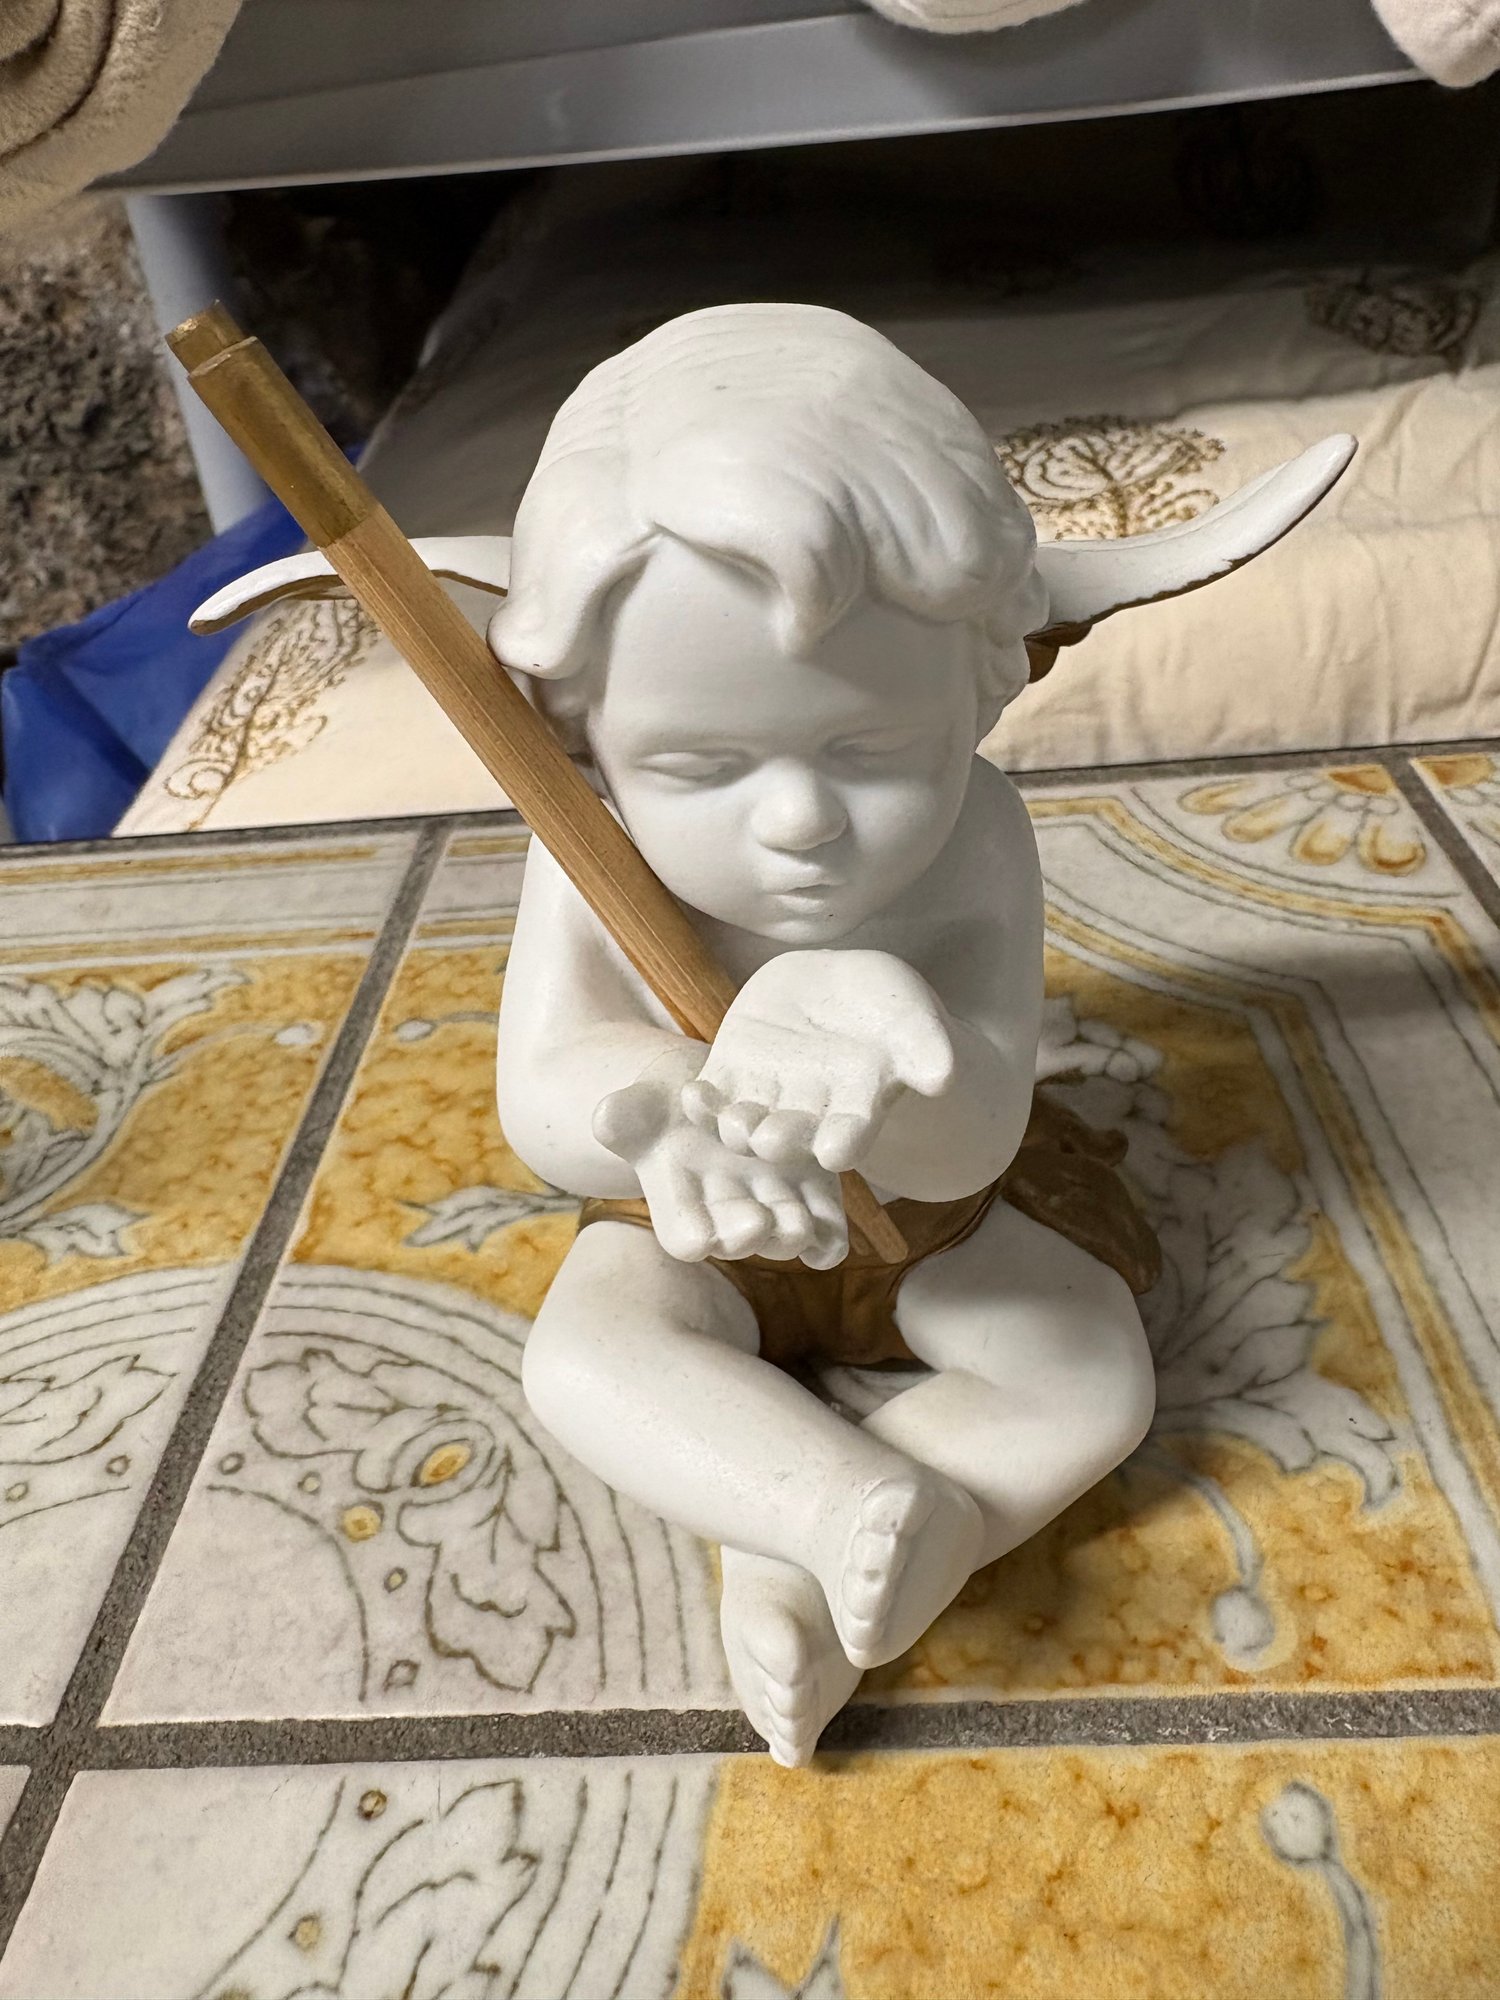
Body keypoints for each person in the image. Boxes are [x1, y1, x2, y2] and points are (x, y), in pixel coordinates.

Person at [492, 303, 1157, 1766]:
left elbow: (975, 1129)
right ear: (584, 730)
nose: (797, 821)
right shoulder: (585, 849)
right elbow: (540, 1094)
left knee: (1093, 1377)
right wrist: (664, 1105)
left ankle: (792, 1549)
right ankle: (840, 1504)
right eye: (700, 765)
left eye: (870, 751)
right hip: (693, 1227)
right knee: (585, 1359)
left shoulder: (978, 841)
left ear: (977, 690)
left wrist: (883, 1050)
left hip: (930, 1223)